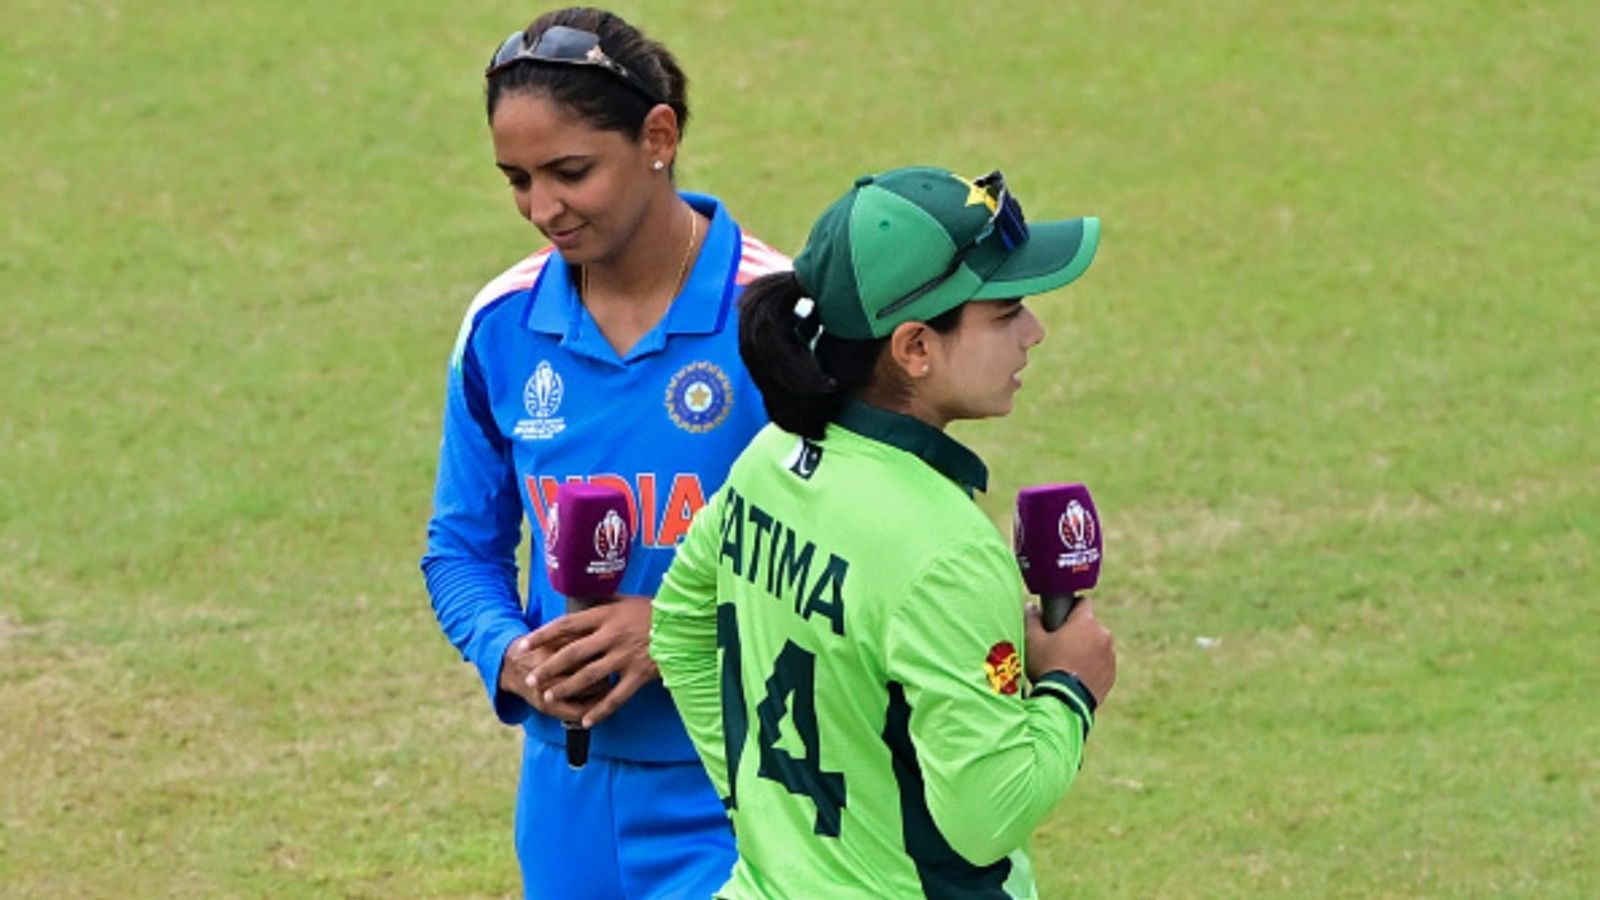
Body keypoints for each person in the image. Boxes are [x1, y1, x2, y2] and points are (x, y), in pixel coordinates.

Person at [651, 166, 1118, 898]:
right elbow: (987, 816)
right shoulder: (946, 552)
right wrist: (1070, 687)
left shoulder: (768, 458)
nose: (1035, 331)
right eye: (1004, 312)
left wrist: (760, 809)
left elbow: (678, 626)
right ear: (914, 349)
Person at [420, 7, 788, 898]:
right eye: (516, 179)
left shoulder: (777, 318)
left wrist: (674, 627)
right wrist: (509, 654)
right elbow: (460, 550)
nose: (543, 209)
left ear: (658, 136)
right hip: (566, 796)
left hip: (751, 784)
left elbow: (853, 564)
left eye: (570, 172)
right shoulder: (501, 326)